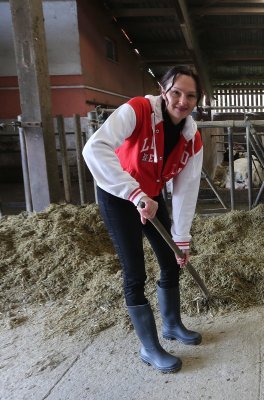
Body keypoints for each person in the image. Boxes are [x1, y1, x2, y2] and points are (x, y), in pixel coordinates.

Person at [82, 65, 204, 373]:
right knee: (135, 270)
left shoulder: (192, 137)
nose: (182, 101)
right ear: (163, 90)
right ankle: (149, 348)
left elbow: (186, 189)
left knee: (170, 258)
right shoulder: (138, 109)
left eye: (190, 96)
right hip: (118, 195)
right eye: (176, 92)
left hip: (151, 196)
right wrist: (133, 193)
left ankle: (172, 325)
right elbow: (94, 149)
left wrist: (182, 236)